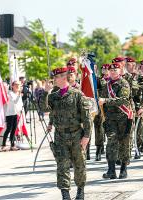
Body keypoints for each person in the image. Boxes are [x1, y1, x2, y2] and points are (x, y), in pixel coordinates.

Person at [39, 66, 92, 200]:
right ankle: (65, 194)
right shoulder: (53, 96)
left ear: (64, 77)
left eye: (56, 77)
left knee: (79, 164)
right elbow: (44, 108)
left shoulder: (77, 94)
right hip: (60, 136)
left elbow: (86, 117)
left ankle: (80, 192)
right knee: (62, 165)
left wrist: (86, 136)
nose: (54, 80)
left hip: (76, 135)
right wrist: (45, 92)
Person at [99, 62, 133, 179]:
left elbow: (123, 100)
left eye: (115, 70)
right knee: (111, 142)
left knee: (124, 142)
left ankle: (123, 169)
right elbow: (101, 100)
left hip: (123, 117)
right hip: (110, 119)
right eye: (111, 70)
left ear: (120, 71)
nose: (113, 72)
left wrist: (106, 101)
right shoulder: (106, 85)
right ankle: (111, 169)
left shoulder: (124, 83)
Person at [1, 81, 23, 151]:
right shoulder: (10, 93)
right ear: (12, 86)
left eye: (18, 85)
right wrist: (19, 94)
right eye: (16, 85)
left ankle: (12, 145)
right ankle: (3, 145)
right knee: (8, 129)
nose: (17, 86)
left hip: (15, 113)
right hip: (10, 114)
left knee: (14, 130)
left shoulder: (17, 94)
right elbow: (15, 101)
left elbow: (19, 103)